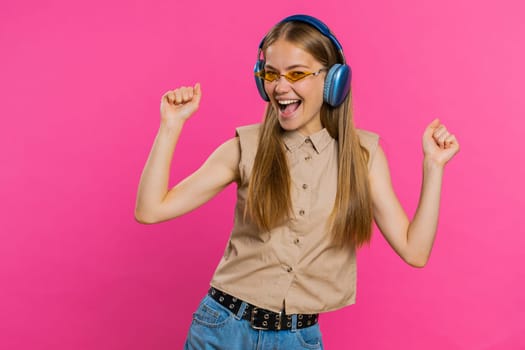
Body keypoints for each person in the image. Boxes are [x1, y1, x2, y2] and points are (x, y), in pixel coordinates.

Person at [135, 14, 459, 350]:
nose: (280, 86)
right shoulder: (246, 147)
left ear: (333, 80)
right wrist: (170, 126)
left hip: (297, 338)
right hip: (221, 329)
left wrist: (433, 167)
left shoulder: (364, 158)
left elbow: (415, 251)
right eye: (272, 74)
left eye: (297, 74)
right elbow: (150, 210)